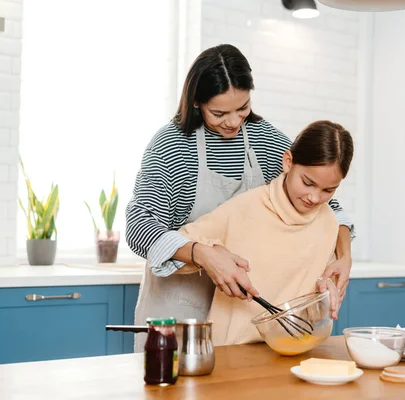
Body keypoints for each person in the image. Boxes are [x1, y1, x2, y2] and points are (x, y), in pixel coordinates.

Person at [126, 44, 354, 352]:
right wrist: (204, 254)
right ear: (196, 102)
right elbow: (139, 227)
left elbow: (323, 201)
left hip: (240, 309)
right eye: (219, 113)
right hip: (179, 300)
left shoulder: (266, 138)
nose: (233, 123)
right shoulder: (172, 146)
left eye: (243, 108)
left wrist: (343, 255)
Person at [175, 120, 354, 345]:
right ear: (288, 162)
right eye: (307, 183)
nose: (314, 198)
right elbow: (176, 244)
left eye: (328, 190)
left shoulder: (329, 222)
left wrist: (326, 291)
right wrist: (211, 254)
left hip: (295, 349)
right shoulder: (245, 207)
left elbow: (320, 277)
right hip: (233, 353)